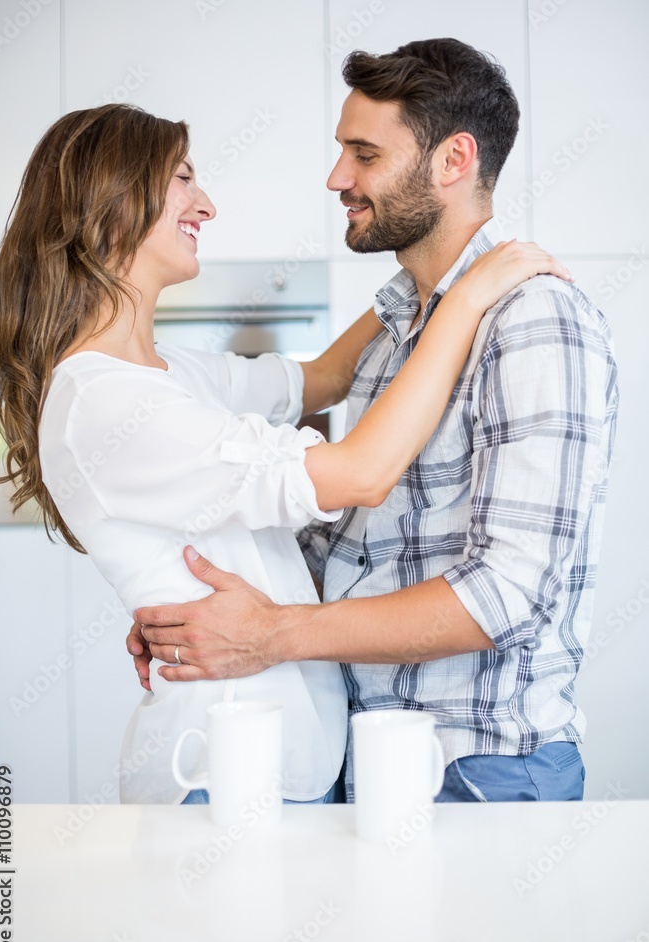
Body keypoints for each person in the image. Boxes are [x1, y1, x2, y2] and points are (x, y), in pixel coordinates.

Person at [0, 104, 567, 807]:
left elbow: (320, 378)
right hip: (216, 768)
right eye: (182, 179)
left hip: (288, 764)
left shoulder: (171, 372)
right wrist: (466, 297)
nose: (206, 203)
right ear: (111, 203)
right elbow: (360, 474)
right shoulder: (104, 405)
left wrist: (428, 286)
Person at [129, 38, 619, 804]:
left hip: (479, 767)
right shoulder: (398, 332)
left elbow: (505, 592)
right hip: (375, 756)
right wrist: (191, 609)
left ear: (453, 160)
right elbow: (355, 550)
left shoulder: (532, 319)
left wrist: (273, 633)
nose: (337, 179)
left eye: (363, 154)